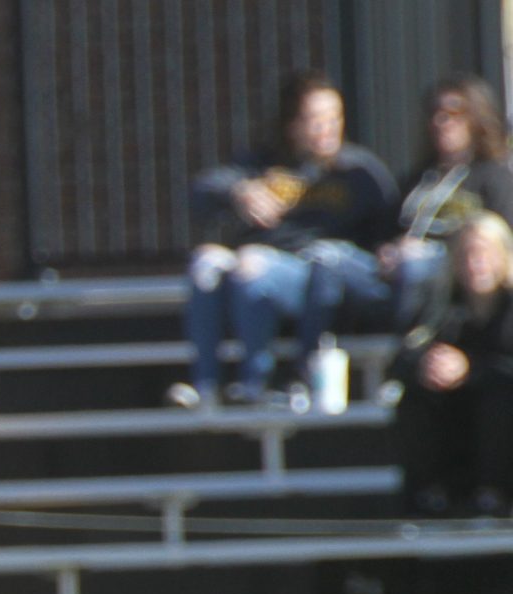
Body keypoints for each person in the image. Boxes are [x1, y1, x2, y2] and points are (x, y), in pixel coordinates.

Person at [172, 71, 398, 409]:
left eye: (334, 117)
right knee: (206, 262)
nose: (327, 128)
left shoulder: (359, 170)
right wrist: (239, 191)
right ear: (292, 125)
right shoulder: (264, 164)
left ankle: (254, 383)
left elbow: (388, 231)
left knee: (252, 262)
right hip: (259, 270)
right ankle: (205, 385)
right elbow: (200, 191)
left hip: (319, 277)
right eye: (315, 119)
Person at [392, 211, 513, 518]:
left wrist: (470, 370)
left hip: (501, 418)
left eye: (484, 253)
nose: (476, 263)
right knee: (416, 399)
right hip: (458, 419)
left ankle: (494, 494)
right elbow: (402, 360)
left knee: (498, 403)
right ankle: (429, 496)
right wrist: (428, 365)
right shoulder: (443, 309)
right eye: (467, 254)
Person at [384, 76, 513, 322]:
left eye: (454, 112)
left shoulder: (493, 177)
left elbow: (503, 241)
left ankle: (410, 343)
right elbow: (386, 228)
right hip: (398, 268)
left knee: (414, 269)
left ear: (476, 118)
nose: (441, 122)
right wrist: (386, 249)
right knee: (333, 265)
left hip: (455, 271)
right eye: (435, 113)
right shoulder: (417, 178)